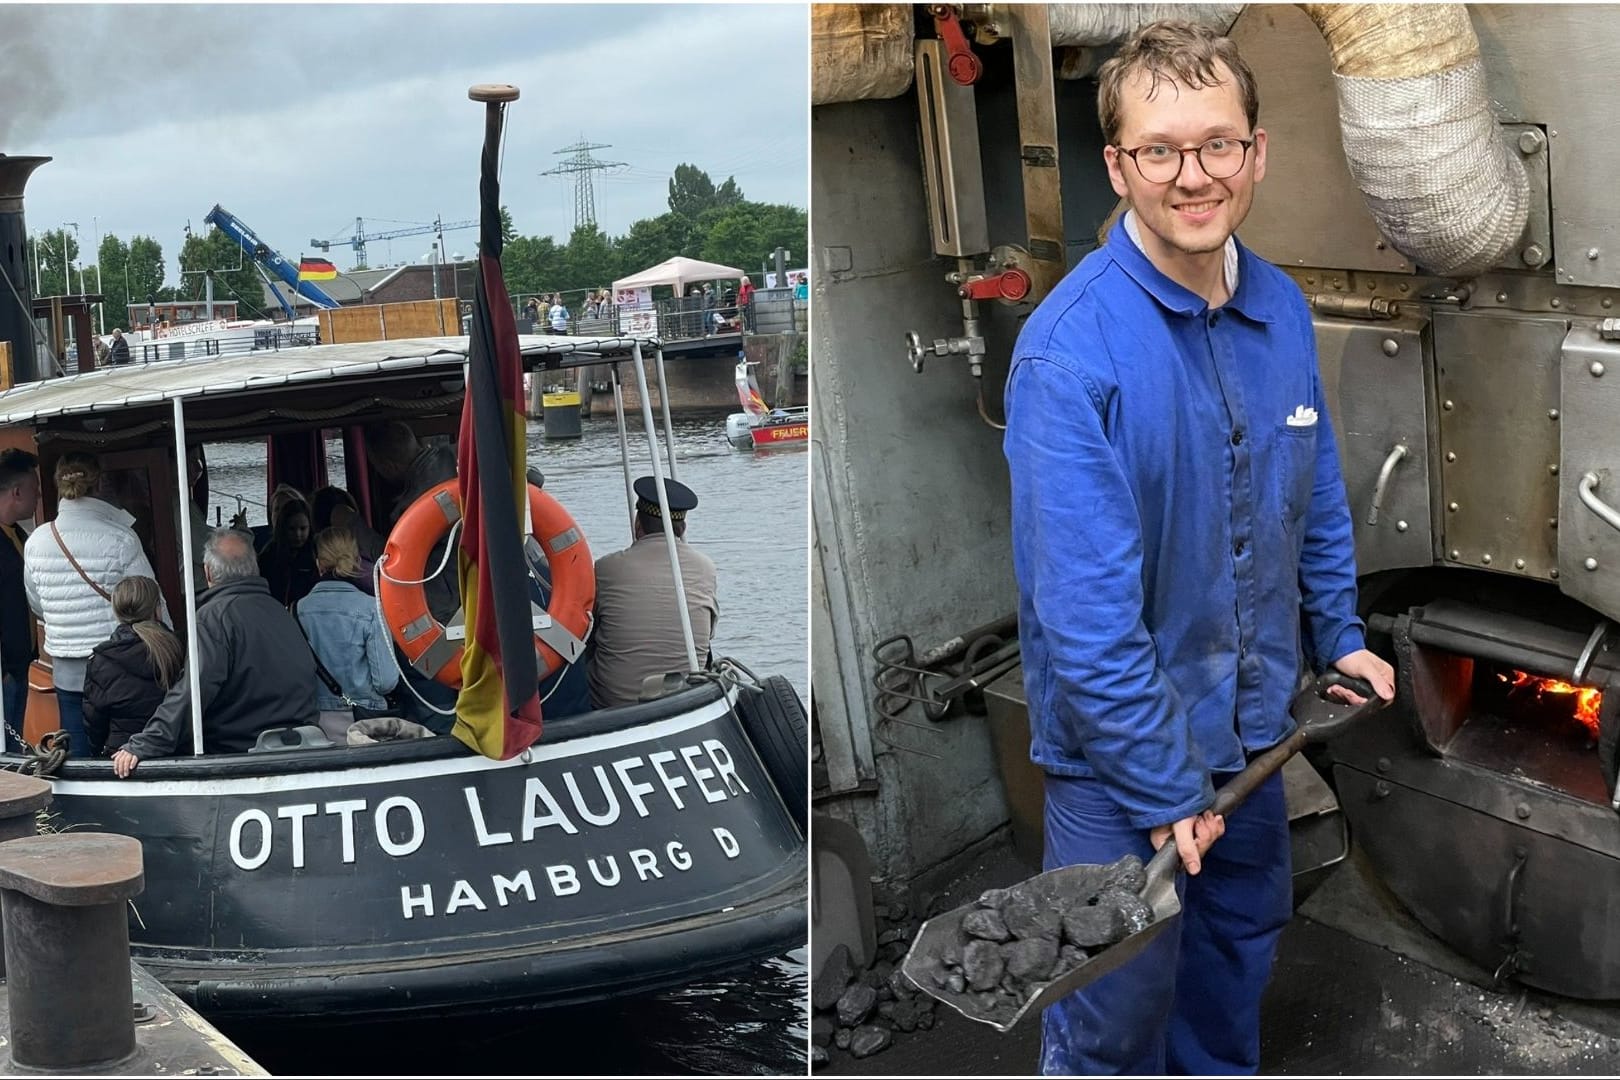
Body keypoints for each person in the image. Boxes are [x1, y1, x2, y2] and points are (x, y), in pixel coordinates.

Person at [1001, 21, 1395, 1076]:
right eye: (1162, 151)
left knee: (1233, 960)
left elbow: (1308, 498)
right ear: (1118, 167)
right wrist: (1168, 788)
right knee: (1112, 1009)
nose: (1194, 176)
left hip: (1255, 731)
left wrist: (1341, 634)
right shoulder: (1068, 355)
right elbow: (1082, 621)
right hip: (1116, 767)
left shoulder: (1281, 308)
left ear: (1257, 153)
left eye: (1219, 144)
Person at [112, 531, 319, 776]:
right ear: (253, 567)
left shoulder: (213, 618)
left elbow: (195, 691)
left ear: (208, 573)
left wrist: (147, 743)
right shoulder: (280, 611)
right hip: (298, 745)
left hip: (240, 754)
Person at [23, 452, 167, 759]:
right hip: (119, 667)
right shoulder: (121, 538)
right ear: (99, 483)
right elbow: (150, 599)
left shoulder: (36, 541)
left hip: (66, 668)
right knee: (123, 752)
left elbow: (37, 603)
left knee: (75, 751)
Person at [588, 476, 718, 709]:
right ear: (683, 527)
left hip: (613, 706)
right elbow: (708, 635)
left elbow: (586, 630)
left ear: (638, 525)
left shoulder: (606, 568)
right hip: (686, 700)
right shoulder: (706, 567)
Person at [294, 527, 398, 744]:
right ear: (356, 559)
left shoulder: (295, 610)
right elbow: (386, 682)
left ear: (318, 563)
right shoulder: (371, 609)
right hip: (365, 722)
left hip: (315, 721)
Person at [82, 576, 184, 758]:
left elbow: (95, 721)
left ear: (116, 611)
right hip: (174, 749)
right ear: (157, 610)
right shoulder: (179, 648)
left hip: (121, 756)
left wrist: (97, 754)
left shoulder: (102, 660)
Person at [0, 449, 40, 741]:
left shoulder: (19, 535)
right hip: (5, 668)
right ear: (16, 492)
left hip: (20, 661)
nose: (38, 495)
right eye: (34, 488)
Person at [259, 498, 318, 606]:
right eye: (292, 529)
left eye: (303, 528)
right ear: (283, 528)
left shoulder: (317, 553)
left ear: (310, 527)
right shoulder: (269, 554)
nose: (298, 534)